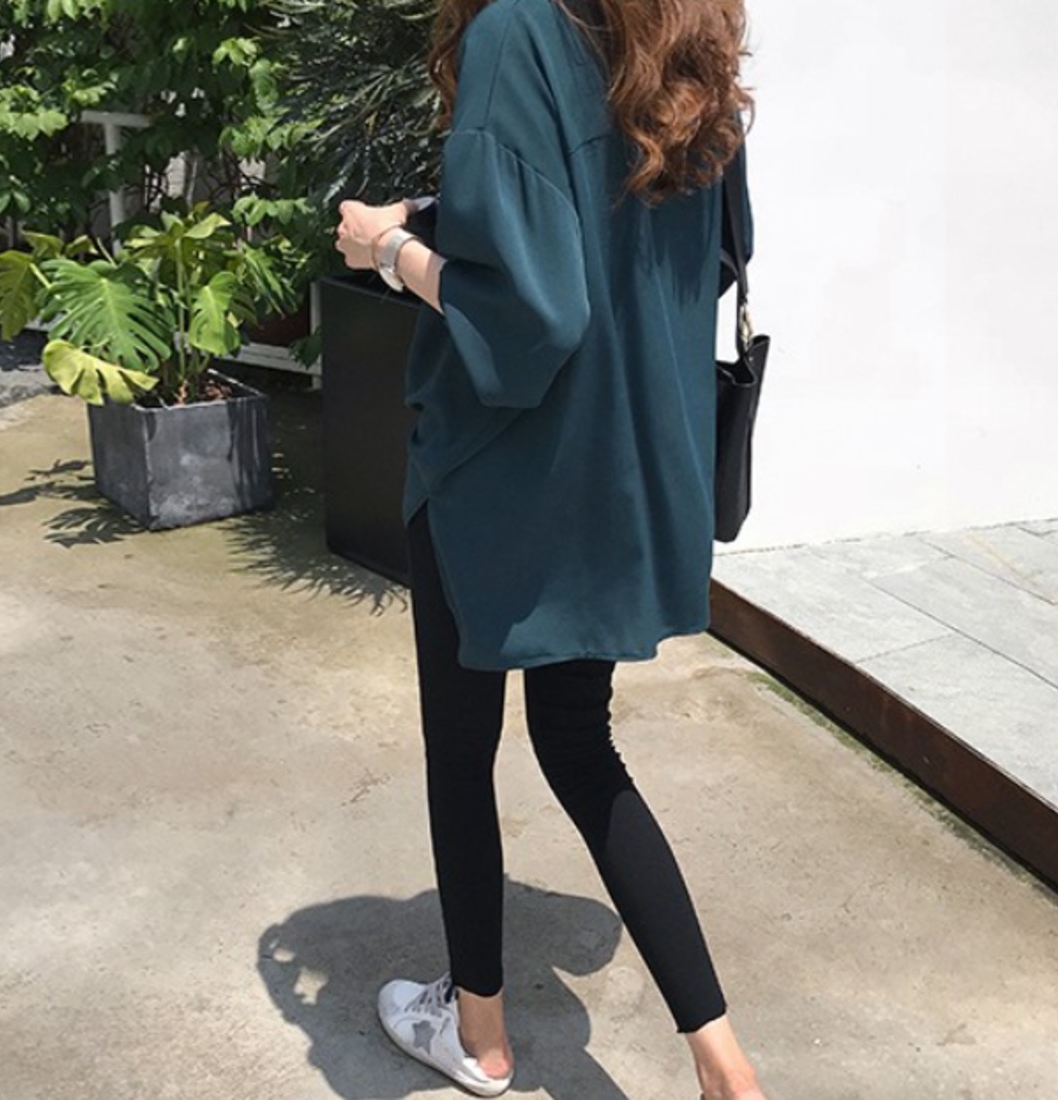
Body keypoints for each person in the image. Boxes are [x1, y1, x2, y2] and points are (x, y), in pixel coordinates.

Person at [335, 1, 764, 1097]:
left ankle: (480, 1039)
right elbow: (714, 249)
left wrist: (391, 248)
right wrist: (445, 211)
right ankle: (723, 1062)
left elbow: (528, 314)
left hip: (499, 473)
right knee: (578, 743)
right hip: (625, 469)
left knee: (461, 747)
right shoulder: (686, 31)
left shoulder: (515, 32)